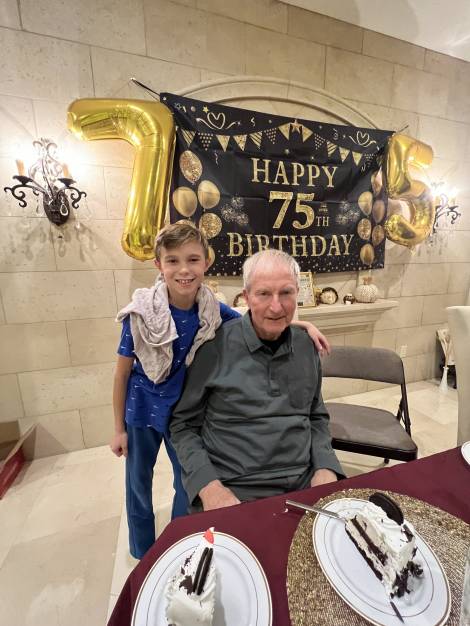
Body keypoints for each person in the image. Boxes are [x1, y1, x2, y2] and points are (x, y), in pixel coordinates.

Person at [110, 223, 329, 558]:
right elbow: (121, 373)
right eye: (173, 261)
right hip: (143, 407)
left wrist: (301, 324)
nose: (184, 270)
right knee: (138, 482)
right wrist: (118, 429)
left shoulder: (211, 310)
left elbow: (254, 316)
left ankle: (179, 539)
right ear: (158, 265)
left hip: (179, 406)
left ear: (206, 262)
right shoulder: (141, 315)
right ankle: (142, 550)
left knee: (185, 481)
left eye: (192, 259)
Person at [170, 249, 344, 512]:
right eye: (264, 294)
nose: (276, 306)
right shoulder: (212, 348)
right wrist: (209, 487)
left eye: (286, 293)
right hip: (235, 488)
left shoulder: (307, 347)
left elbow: (316, 415)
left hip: (302, 482)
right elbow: (183, 426)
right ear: (247, 296)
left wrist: (325, 466)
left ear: (298, 292)